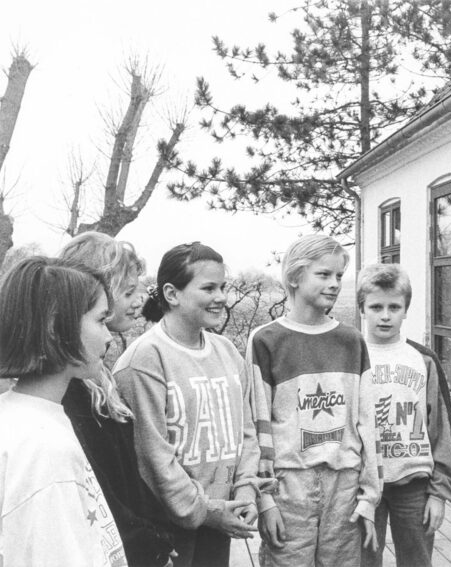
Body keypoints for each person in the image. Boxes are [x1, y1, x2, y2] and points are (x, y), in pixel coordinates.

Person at [113, 242, 264, 567]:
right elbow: (153, 457)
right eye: (209, 287)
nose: (221, 297)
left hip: (223, 517)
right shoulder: (144, 361)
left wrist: (247, 490)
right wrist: (206, 511)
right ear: (172, 293)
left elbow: (245, 432)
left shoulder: (227, 352)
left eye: (223, 286)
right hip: (168, 529)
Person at [247, 234, 381, 567]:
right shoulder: (266, 340)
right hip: (289, 485)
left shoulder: (351, 341)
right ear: (294, 276)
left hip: (345, 485)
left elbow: (367, 425)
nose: (335, 283)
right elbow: (256, 426)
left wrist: (369, 498)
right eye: (324, 274)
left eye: (339, 275)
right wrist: (265, 500)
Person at [0, 256, 127, 566]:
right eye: (99, 320)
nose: (109, 336)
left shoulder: (19, 415)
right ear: (57, 326)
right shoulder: (43, 448)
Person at [59, 232, 176, 567]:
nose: (141, 298)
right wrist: (149, 544)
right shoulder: (73, 388)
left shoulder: (98, 376)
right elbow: (101, 487)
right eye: (128, 291)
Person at [357, 263, 451, 567]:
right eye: (376, 306)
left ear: (406, 309)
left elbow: (442, 428)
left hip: (414, 483)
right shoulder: (351, 355)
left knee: (416, 560)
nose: (385, 315)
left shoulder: (423, 359)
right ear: (363, 308)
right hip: (363, 484)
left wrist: (440, 492)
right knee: (363, 559)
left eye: (394, 307)